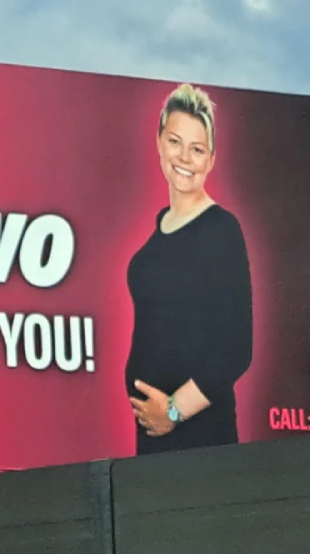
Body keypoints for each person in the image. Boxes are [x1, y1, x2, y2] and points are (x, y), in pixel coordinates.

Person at [125, 83, 253, 455]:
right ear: (159, 142)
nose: (184, 157)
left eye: (196, 149)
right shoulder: (159, 230)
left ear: (211, 159)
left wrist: (172, 411)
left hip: (200, 439)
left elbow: (236, 350)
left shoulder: (221, 229)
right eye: (175, 141)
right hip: (154, 439)